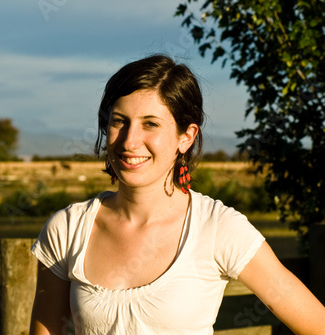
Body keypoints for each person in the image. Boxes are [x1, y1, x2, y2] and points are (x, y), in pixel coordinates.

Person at [29, 54, 325, 334]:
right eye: (119, 121)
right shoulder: (67, 229)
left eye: (151, 124)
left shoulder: (218, 228)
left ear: (187, 136)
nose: (130, 141)